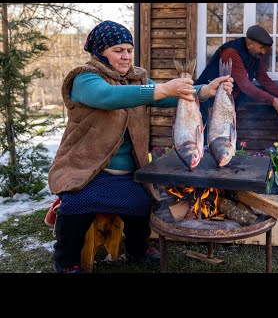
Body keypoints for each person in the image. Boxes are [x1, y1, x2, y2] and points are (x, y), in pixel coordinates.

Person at [47, 20, 233, 273]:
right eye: (117, 50)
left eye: (128, 50)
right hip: (87, 169)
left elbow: (166, 96)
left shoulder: (136, 79)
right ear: (100, 52)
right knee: (78, 204)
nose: (125, 56)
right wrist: (162, 88)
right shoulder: (84, 78)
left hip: (130, 171)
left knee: (142, 205)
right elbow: (109, 97)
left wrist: (204, 91)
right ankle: (66, 261)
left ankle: (137, 250)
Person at [195, 24, 278, 129]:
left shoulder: (254, 55)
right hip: (205, 102)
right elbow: (245, 86)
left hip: (224, 105)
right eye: (261, 47)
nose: (264, 52)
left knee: (226, 140)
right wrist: (274, 101)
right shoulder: (231, 52)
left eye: (266, 48)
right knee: (205, 140)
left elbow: (264, 80)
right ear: (249, 44)